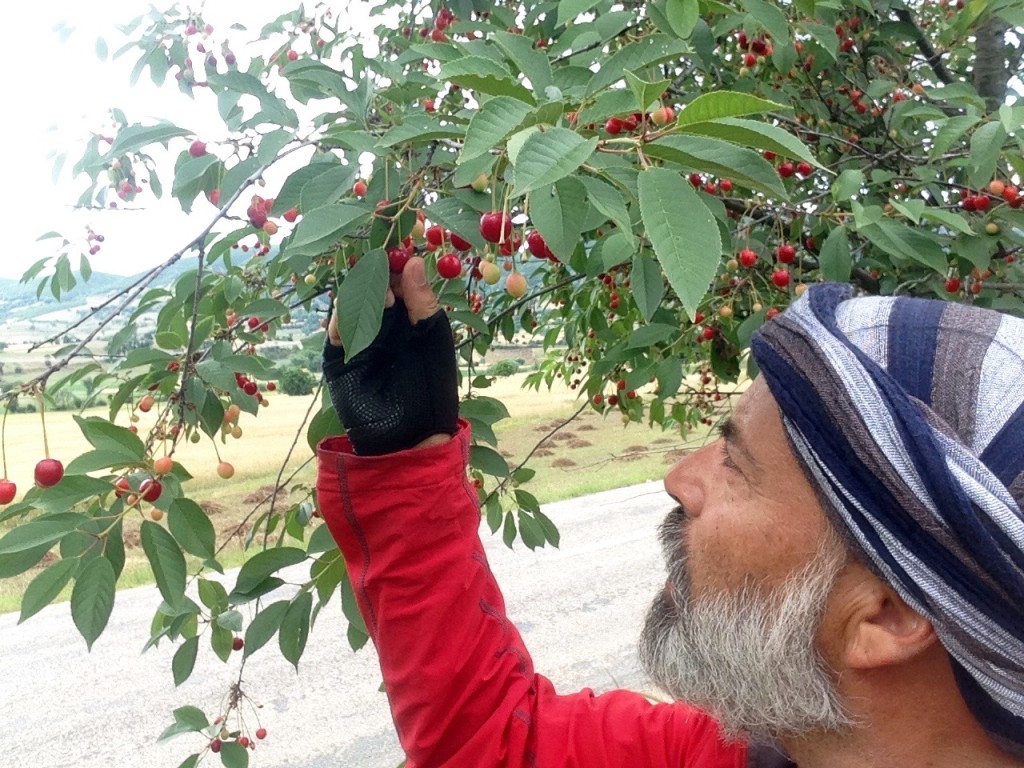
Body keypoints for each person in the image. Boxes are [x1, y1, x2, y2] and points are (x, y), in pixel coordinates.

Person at [316, 255, 1024, 768]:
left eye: (737, 465)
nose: (678, 480)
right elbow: (497, 744)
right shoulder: (732, 755)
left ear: (889, 612)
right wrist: (408, 454)